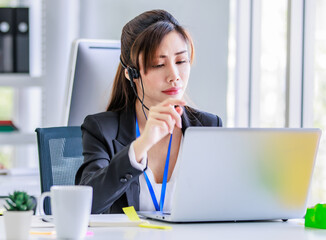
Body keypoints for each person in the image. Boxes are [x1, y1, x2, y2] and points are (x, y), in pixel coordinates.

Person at [75, 9, 222, 214]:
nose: (174, 76)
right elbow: (86, 205)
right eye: (159, 64)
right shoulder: (101, 130)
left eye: (181, 61)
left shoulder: (207, 127)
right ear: (131, 74)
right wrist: (140, 146)